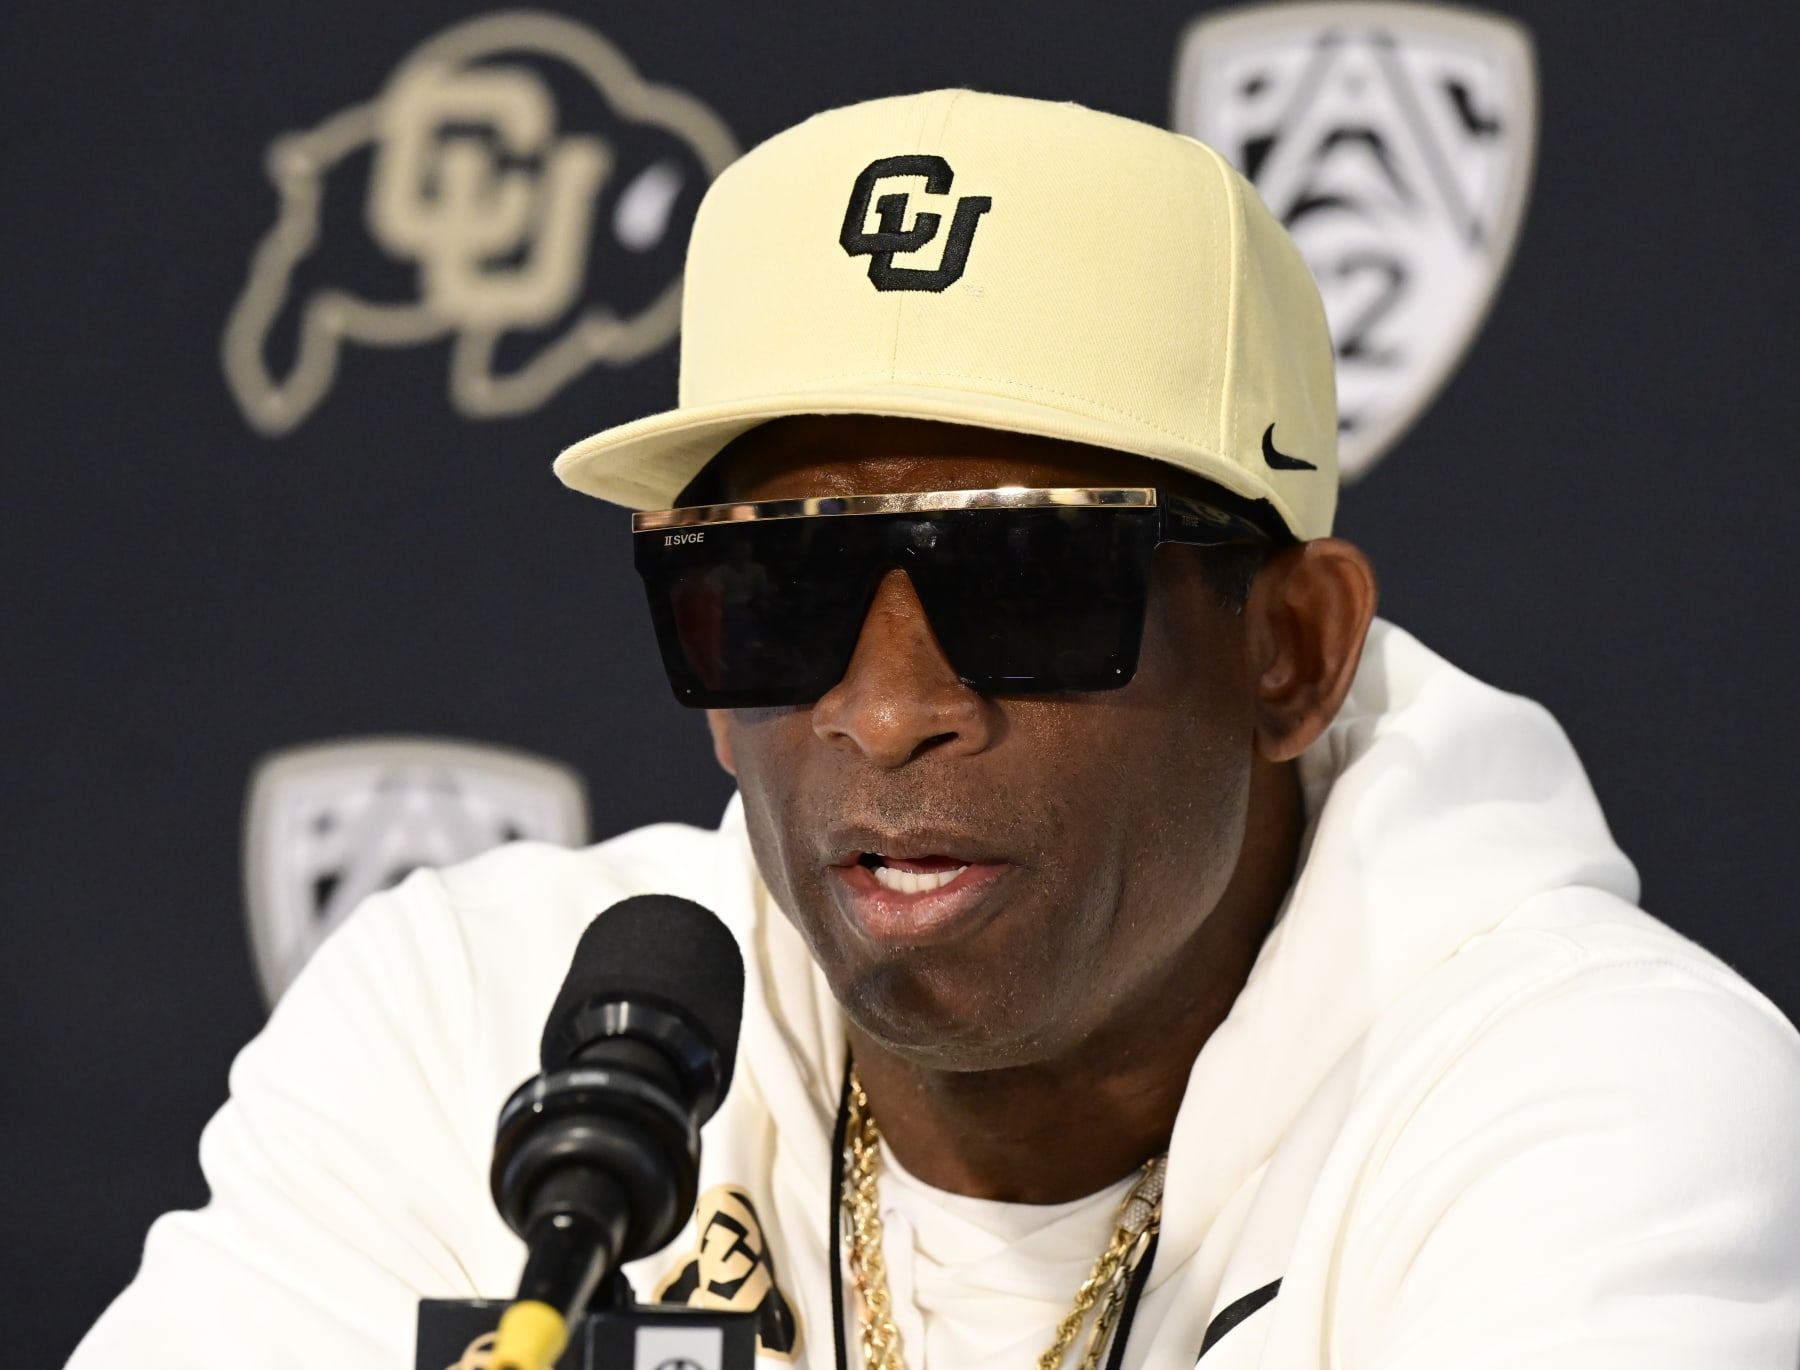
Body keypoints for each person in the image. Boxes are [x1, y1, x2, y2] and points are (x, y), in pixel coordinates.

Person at [71, 90, 1800, 1370]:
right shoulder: (474, 1025)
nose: (888, 711)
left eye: (1027, 582)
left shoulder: (1595, 1102)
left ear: (1291, 651)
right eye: (775, 597)